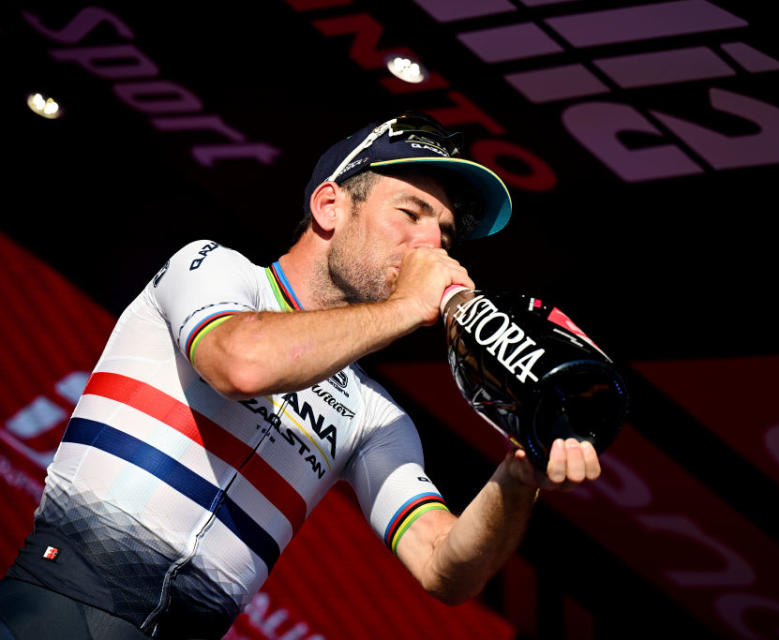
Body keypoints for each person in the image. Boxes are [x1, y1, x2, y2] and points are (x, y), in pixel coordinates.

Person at [0, 113, 602, 639]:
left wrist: (519, 476)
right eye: (412, 214)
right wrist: (407, 307)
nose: (434, 248)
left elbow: (443, 568)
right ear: (330, 206)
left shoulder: (374, 412)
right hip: (58, 605)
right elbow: (241, 363)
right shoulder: (214, 268)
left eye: (444, 234)